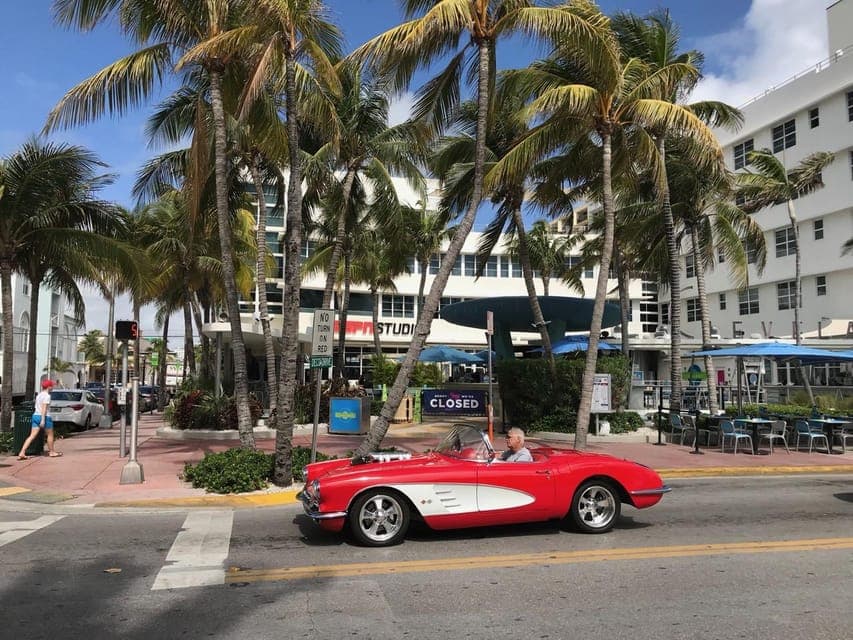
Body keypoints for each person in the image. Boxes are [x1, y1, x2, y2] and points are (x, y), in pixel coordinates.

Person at [18, 379, 62, 460]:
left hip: (35, 415)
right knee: (50, 434)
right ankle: (52, 452)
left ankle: (22, 452)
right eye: (51, 386)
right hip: (44, 417)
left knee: (32, 436)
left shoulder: (39, 395)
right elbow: (44, 408)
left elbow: (37, 407)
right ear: (48, 387)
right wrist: (43, 420)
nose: (52, 387)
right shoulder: (47, 396)